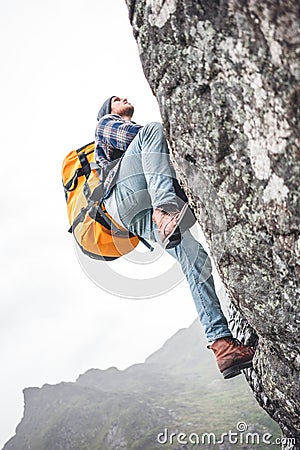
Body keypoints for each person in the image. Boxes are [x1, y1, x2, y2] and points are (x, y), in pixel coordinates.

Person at [94, 96, 255, 379]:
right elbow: (138, 135)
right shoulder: (106, 124)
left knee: (194, 256)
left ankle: (222, 344)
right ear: (107, 111)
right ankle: (165, 209)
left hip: (132, 215)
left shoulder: (141, 150)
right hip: (124, 193)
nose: (124, 99)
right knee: (153, 130)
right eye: (116, 99)